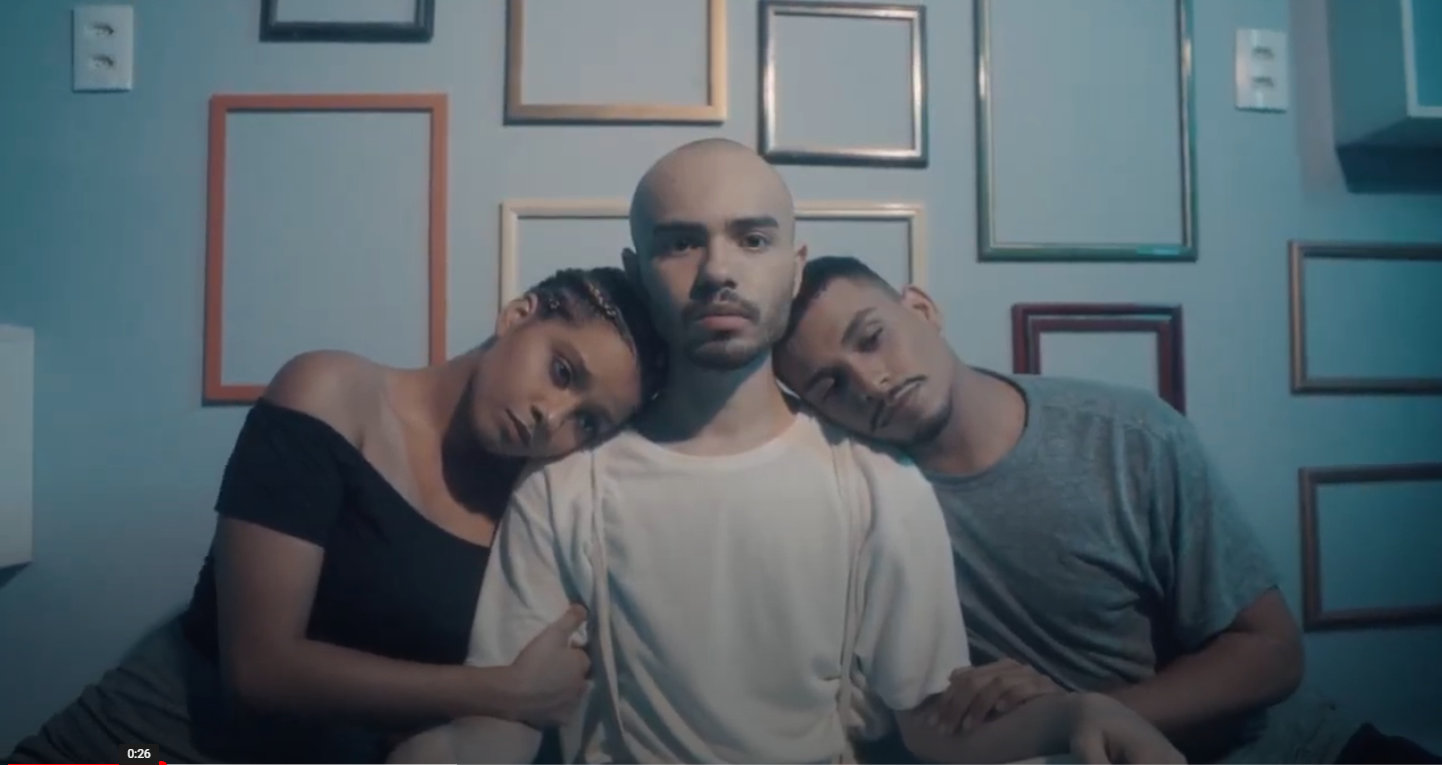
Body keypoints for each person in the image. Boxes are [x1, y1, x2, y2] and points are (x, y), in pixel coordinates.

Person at [389, 138, 1184, 765]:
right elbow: (502, 728)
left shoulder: (876, 481)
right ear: (639, 270)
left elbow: (930, 724)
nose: (719, 271)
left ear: (793, 266)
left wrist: (1078, 713)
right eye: (681, 243)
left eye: (753, 238)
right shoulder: (563, 486)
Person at [771, 254, 1442, 765]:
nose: (871, 381)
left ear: (921, 308)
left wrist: (1086, 713)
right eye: (831, 384)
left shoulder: (1127, 436)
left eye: (871, 338)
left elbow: (1271, 651)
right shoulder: (864, 507)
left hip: (1300, 748)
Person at [7, 266, 669, 764]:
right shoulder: (334, 394)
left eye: (588, 421)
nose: (552, 416)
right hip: (139, 746)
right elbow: (261, 668)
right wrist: (500, 691)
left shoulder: (529, 515)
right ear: (518, 314)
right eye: (562, 371)